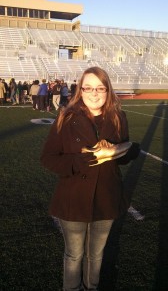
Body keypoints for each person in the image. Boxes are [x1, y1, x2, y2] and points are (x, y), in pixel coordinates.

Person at [40, 66, 140, 291]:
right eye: (88, 88)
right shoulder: (66, 117)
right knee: (74, 255)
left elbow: (121, 156)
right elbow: (48, 158)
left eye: (100, 88)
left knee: (96, 255)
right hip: (73, 199)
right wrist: (78, 162)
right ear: (80, 90)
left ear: (108, 90)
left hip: (106, 197)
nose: (94, 93)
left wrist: (127, 150)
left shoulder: (118, 116)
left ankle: (91, 287)